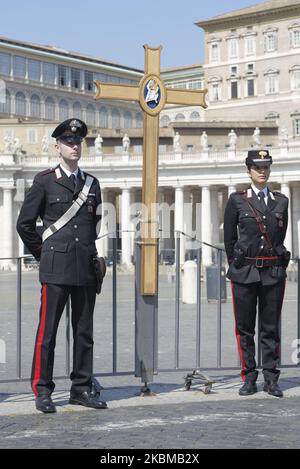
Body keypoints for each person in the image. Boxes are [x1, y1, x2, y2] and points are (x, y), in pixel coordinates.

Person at [16, 118, 107, 413]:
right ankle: (43, 390)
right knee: (49, 332)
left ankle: (81, 388)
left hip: (84, 267)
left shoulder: (92, 183)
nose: (75, 146)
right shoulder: (44, 181)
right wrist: (45, 253)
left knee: (84, 332)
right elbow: (25, 224)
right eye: (69, 142)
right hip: (55, 267)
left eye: (78, 142)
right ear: (57, 147)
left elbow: (92, 224)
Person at [224, 149, 290, 398]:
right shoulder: (237, 200)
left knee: (270, 327)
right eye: (257, 167)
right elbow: (229, 239)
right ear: (248, 170)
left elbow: (279, 237)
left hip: (272, 271)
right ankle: (249, 376)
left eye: (266, 167)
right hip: (245, 272)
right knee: (245, 328)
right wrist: (238, 264)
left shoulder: (280, 201)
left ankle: (271, 378)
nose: (262, 171)